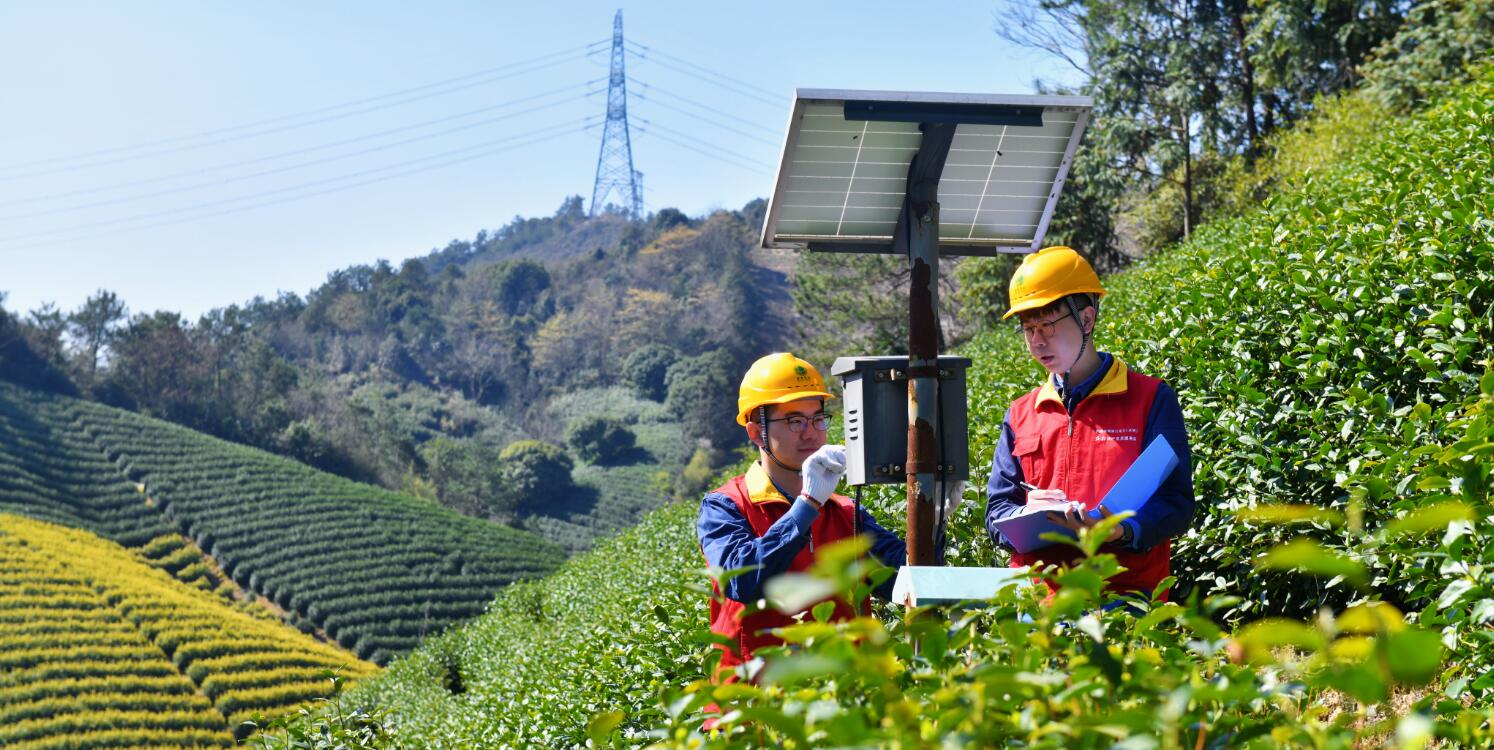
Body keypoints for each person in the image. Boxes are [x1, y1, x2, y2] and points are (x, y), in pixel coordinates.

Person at [983, 246, 1195, 603]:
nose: (1037, 340)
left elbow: (1177, 502)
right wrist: (1026, 512)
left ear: (1087, 319)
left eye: (1047, 324)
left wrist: (1122, 532)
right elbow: (997, 512)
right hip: (1039, 606)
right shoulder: (1021, 413)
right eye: (1028, 328)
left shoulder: (1150, 398)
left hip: (1125, 599)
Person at [698, 352, 906, 677]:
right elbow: (741, 580)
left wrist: (935, 511)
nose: (810, 433)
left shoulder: (844, 511)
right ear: (755, 432)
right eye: (794, 421)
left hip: (842, 704)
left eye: (817, 419)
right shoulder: (726, 506)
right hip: (754, 711)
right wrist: (806, 505)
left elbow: (904, 580)